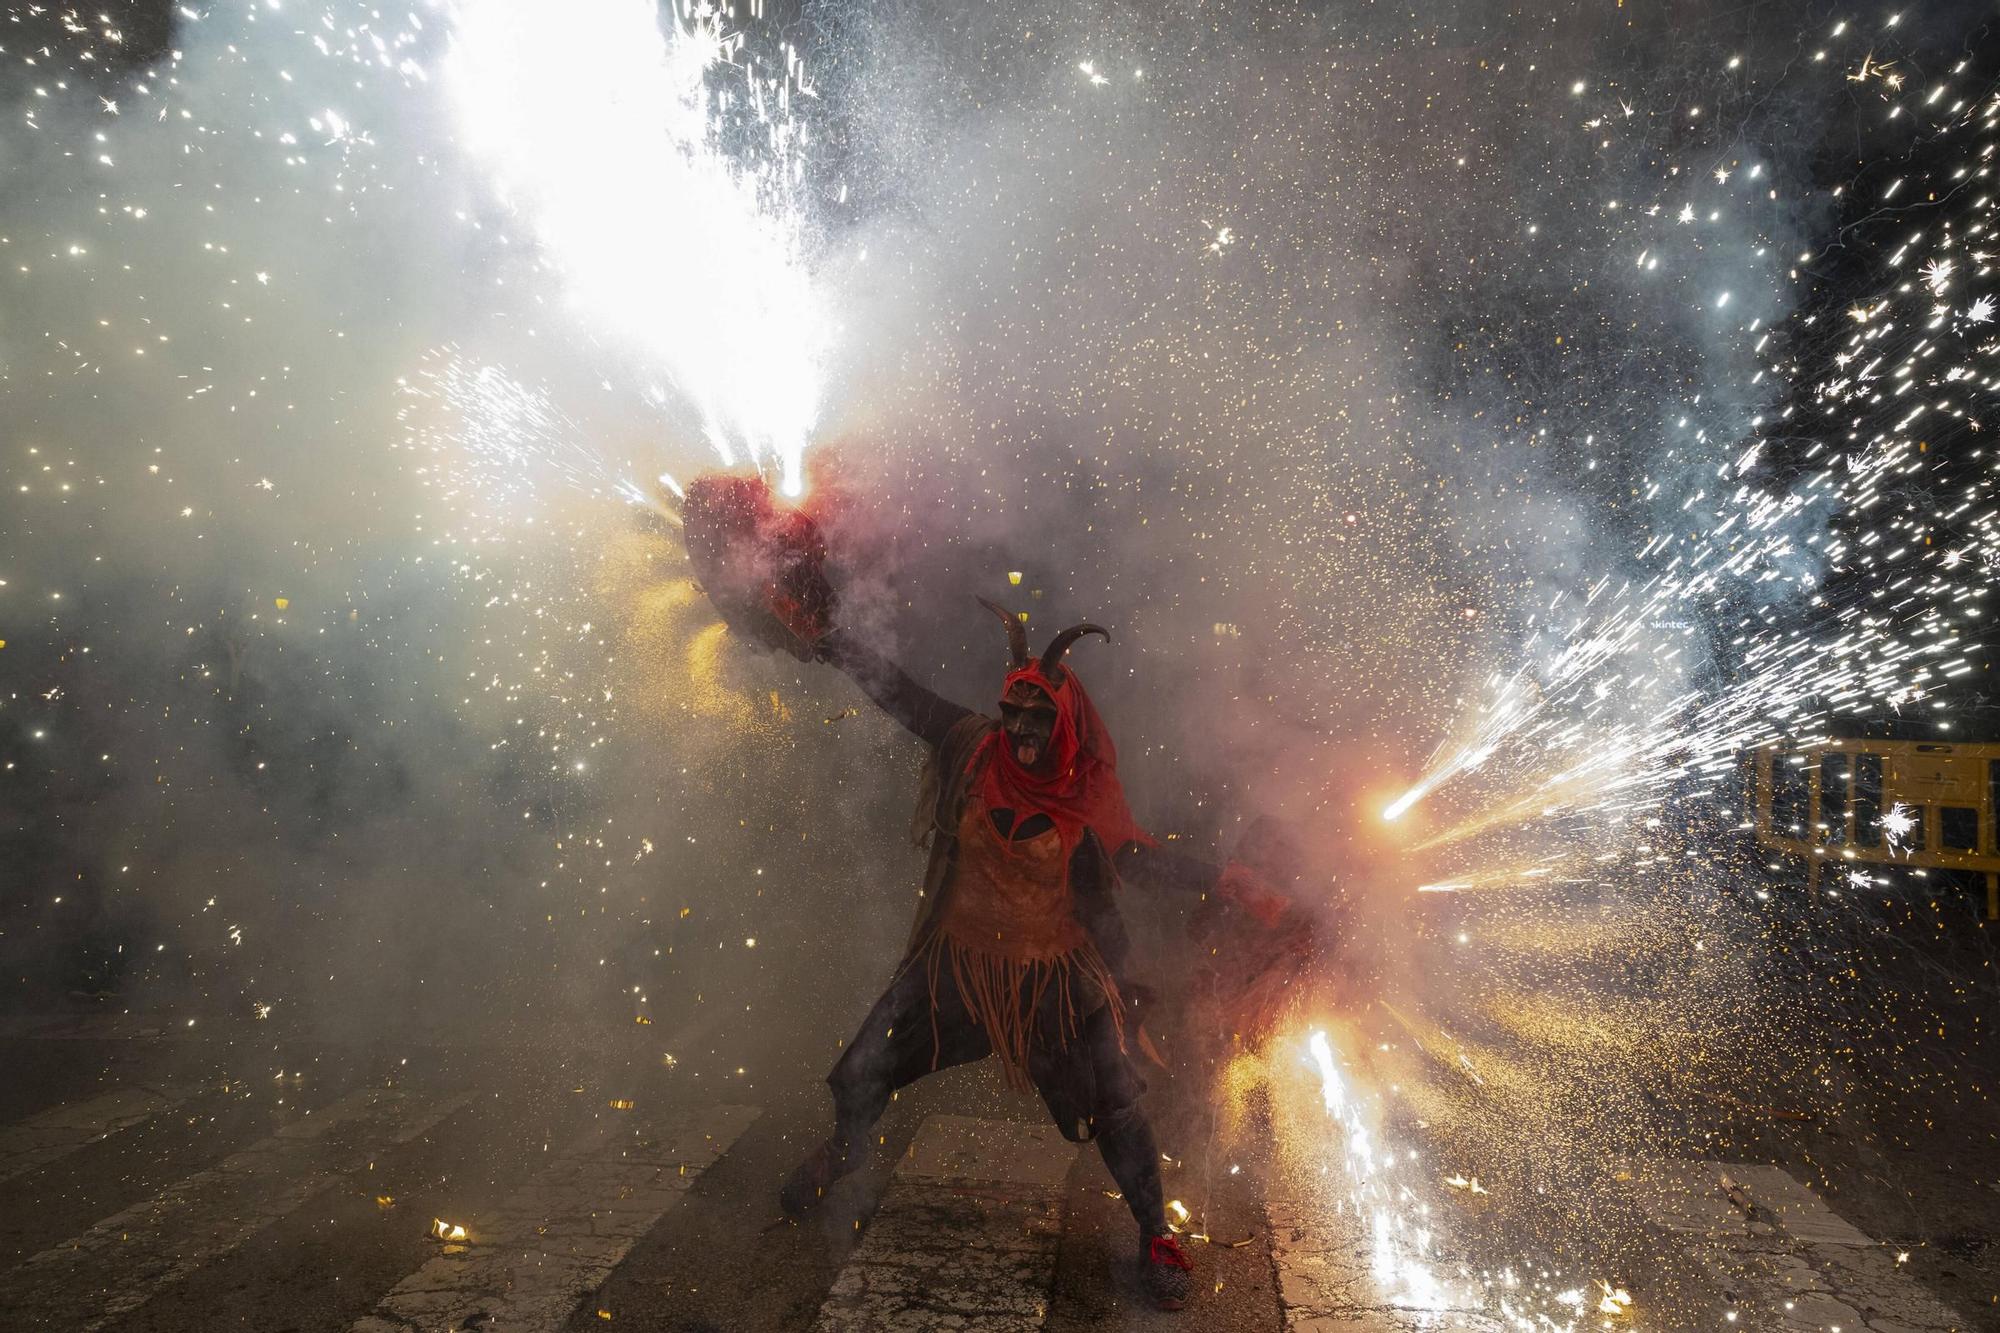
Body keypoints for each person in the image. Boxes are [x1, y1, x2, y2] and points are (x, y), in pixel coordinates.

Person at [776, 599, 1299, 1312]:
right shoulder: (971, 747)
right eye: (1012, 713)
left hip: (1052, 981)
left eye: (1037, 717)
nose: (1020, 729)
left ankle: (1155, 1234)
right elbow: (900, 693)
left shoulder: (1085, 801)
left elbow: (1140, 864)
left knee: (1115, 1106)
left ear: (1064, 721)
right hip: (956, 967)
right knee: (868, 1066)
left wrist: (1223, 880)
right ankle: (844, 1148)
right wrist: (831, 640)